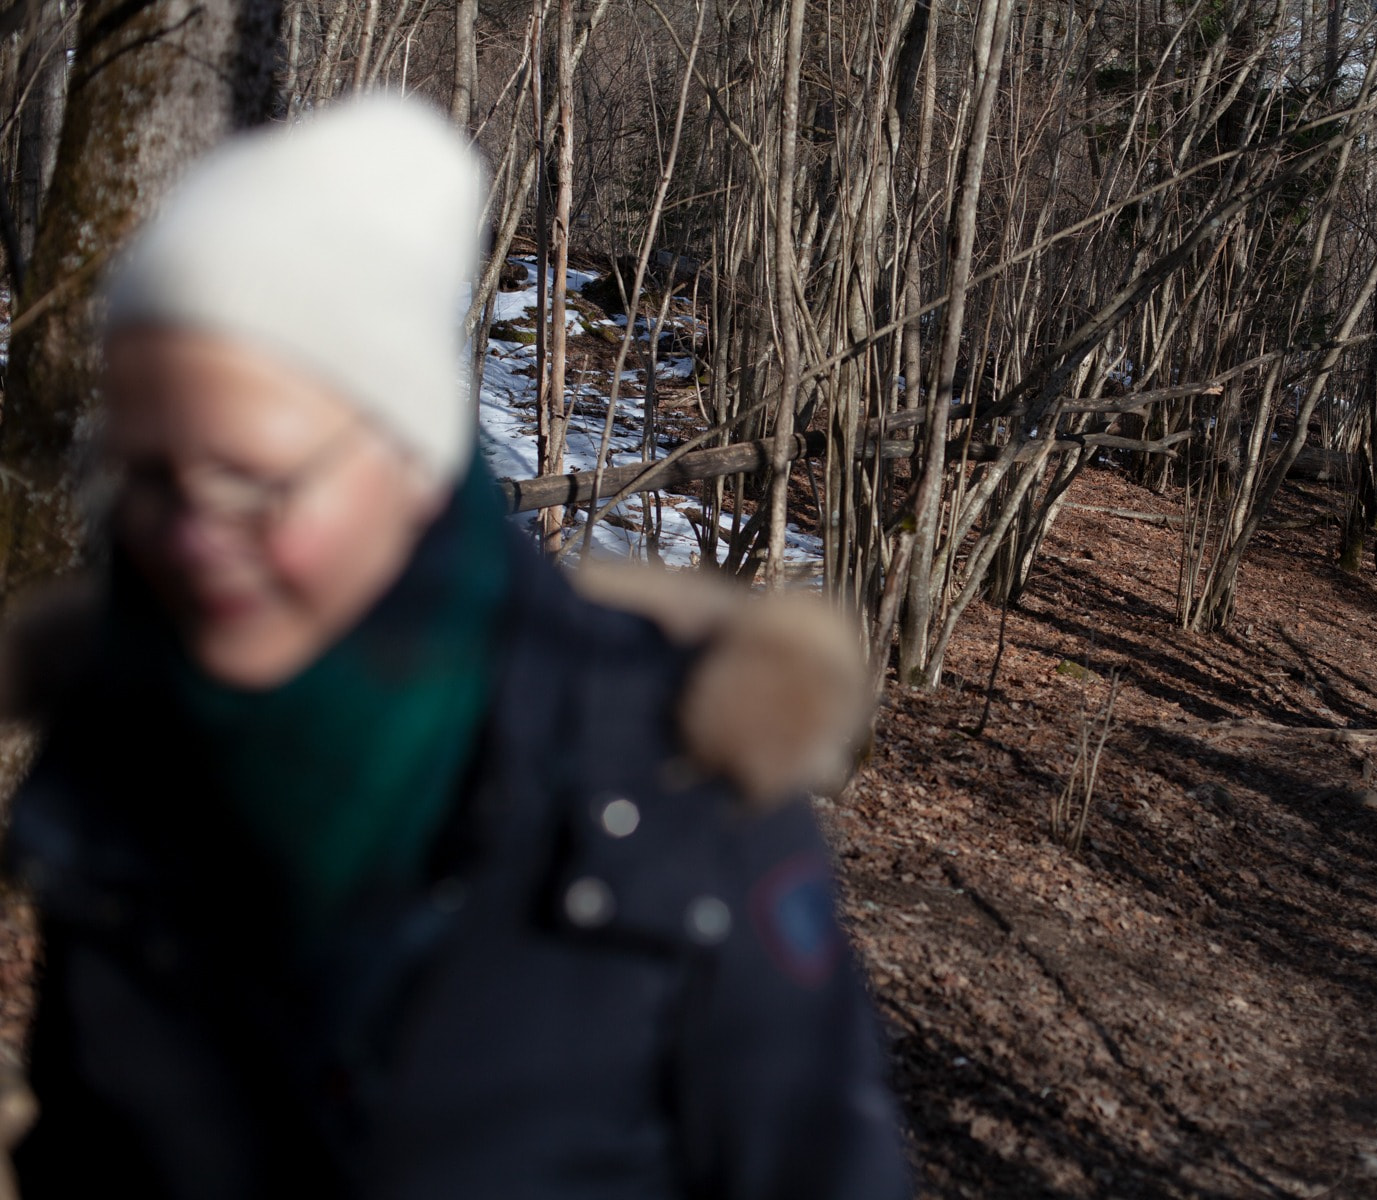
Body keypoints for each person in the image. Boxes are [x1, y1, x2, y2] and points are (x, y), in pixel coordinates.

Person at [0, 98, 911, 1199]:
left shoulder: (676, 787)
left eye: (253, 479)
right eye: (147, 478)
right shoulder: (110, 760)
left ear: (413, 458)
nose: (189, 538)